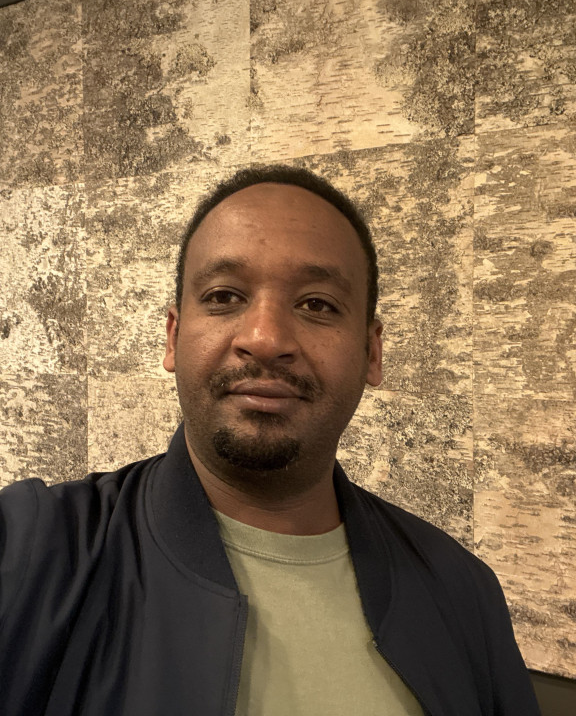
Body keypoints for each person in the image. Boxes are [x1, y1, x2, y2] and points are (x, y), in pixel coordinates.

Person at [0, 165, 540, 715]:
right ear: (173, 337)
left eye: (317, 304)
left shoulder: (461, 590)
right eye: (224, 296)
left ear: (372, 353)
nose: (264, 338)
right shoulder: (34, 550)